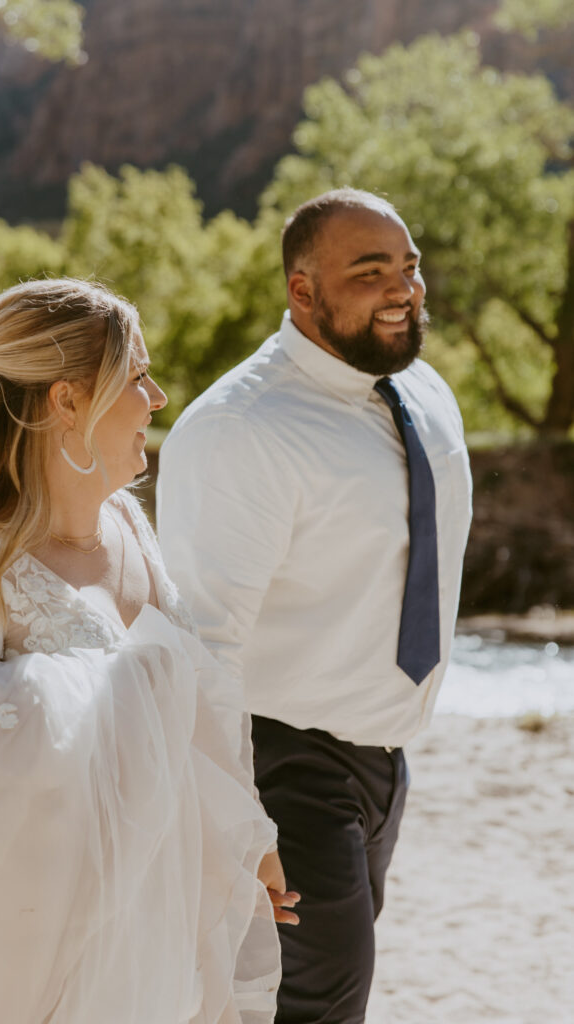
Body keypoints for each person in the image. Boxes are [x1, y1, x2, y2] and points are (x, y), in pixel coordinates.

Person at [0, 278, 285, 1024]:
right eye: (137, 375)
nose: (158, 397)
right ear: (67, 400)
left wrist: (247, 838)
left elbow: (193, 698)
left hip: (149, 914)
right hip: (21, 942)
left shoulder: (129, 526)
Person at [157, 188, 473, 1024]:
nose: (402, 288)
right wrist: (237, 819)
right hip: (279, 761)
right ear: (301, 290)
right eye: (369, 272)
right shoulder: (239, 429)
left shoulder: (422, 392)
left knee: (314, 995)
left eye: (406, 267)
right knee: (316, 1002)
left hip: (382, 758)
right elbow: (202, 644)